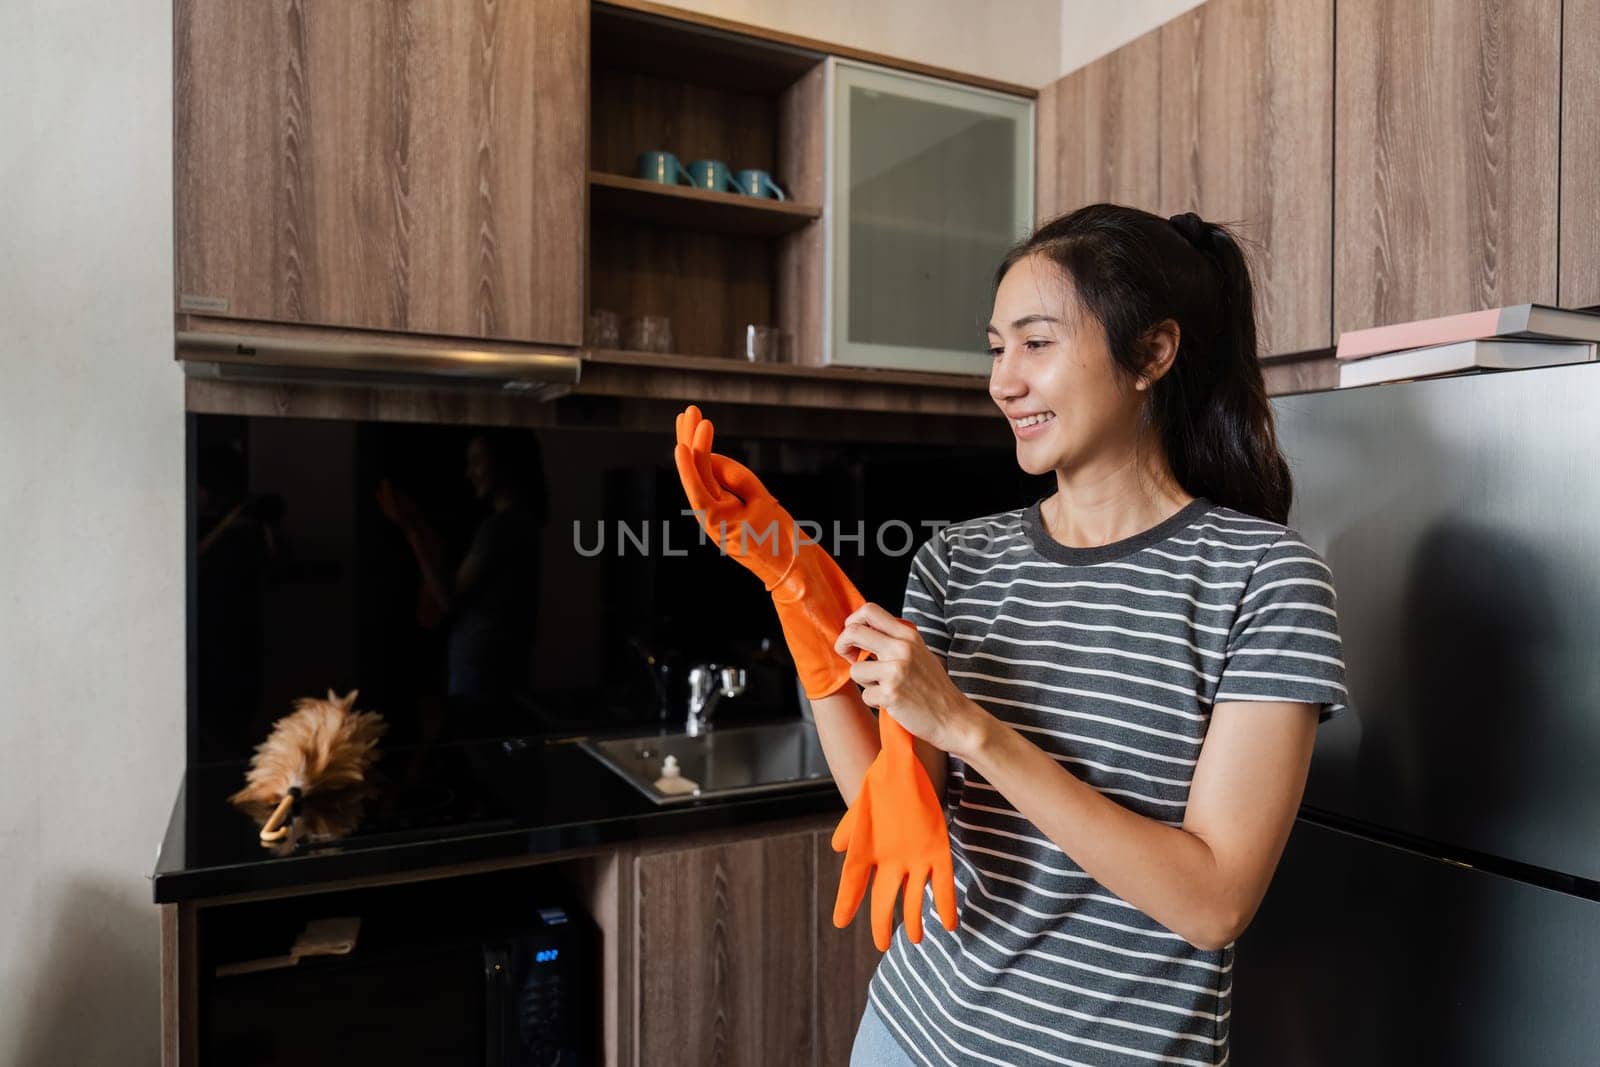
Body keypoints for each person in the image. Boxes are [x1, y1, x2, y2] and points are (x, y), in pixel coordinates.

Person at [825, 204, 1350, 1065]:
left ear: (1152, 353)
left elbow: (1214, 901)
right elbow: (893, 816)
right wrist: (793, 592)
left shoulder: (1264, 578)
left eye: (1036, 343)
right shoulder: (959, 561)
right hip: (908, 1035)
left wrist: (970, 727)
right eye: (997, 347)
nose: (1003, 380)